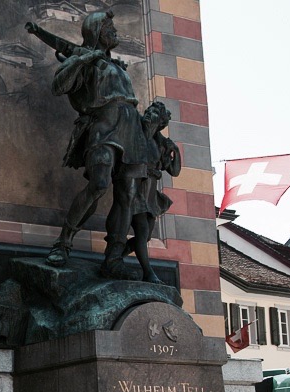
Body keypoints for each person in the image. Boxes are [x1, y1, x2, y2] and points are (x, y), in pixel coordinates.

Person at [31, 11, 146, 274]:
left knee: (128, 195)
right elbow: (59, 87)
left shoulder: (115, 65)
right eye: (109, 26)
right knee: (99, 184)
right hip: (104, 127)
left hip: (132, 131)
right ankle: (63, 242)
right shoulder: (87, 59)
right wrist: (82, 59)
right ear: (96, 31)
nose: (114, 30)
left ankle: (113, 259)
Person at [124, 101, 182, 283]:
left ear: (161, 121)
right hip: (137, 188)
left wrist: (176, 151)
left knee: (147, 235)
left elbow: (174, 171)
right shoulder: (136, 133)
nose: (149, 114)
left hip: (151, 193)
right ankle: (148, 272)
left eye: (155, 113)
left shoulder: (160, 142)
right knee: (142, 230)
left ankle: (116, 254)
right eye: (149, 110)